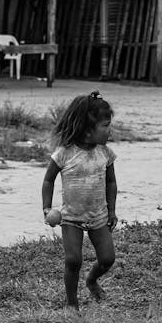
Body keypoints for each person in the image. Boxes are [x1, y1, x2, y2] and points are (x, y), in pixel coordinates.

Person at [41, 91, 118, 311]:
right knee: (73, 260)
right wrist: (46, 208)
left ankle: (92, 280)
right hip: (71, 217)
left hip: (98, 216)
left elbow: (111, 183)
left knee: (107, 259)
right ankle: (72, 304)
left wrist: (111, 211)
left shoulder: (106, 153)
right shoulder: (65, 153)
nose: (109, 130)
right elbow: (48, 180)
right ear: (87, 129)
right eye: (105, 125)